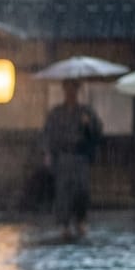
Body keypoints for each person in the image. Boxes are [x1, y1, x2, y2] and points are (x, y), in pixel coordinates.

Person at [41, 79, 102, 240]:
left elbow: (96, 133)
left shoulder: (86, 111)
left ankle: (80, 219)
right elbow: (48, 134)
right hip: (63, 156)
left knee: (81, 191)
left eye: (73, 89)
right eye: (67, 89)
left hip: (80, 156)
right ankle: (64, 224)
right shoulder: (56, 113)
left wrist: (88, 125)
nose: (70, 92)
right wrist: (48, 153)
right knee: (63, 192)